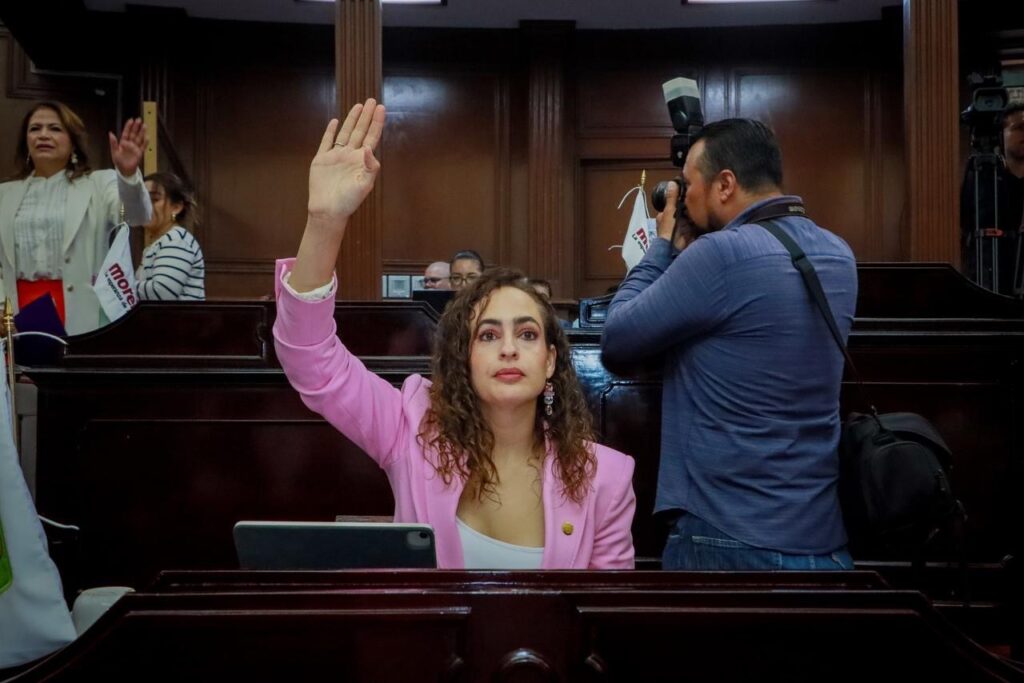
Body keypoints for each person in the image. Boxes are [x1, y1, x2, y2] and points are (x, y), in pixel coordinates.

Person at [273, 98, 635, 569]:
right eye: (488, 335)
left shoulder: (605, 477)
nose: (509, 349)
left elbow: (602, 610)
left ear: (550, 360)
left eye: (527, 335)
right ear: (464, 356)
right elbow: (310, 358)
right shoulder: (410, 429)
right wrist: (325, 222)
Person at [601, 118, 857, 571]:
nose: (685, 197)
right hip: (822, 538)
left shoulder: (721, 255)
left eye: (689, 184)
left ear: (725, 184)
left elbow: (618, 338)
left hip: (726, 535)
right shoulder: (839, 254)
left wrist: (662, 245)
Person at [0, 101, 152, 335]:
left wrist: (128, 175)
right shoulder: (4, 194)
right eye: (35, 128)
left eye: (55, 128)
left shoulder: (99, 183)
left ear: (73, 142)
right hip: (18, 314)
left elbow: (137, 216)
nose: (43, 135)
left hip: (82, 313)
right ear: (25, 141)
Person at [960, 102, 1024, 295]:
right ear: (1001, 135)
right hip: (991, 279)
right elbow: (966, 224)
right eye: (1019, 128)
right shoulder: (984, 179)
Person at [136, 172, 205, 301]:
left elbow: (162, 293)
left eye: (154, 200)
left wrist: (121, 288)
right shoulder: (161, 242)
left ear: (176, 207)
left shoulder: (176, 240)